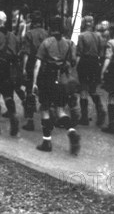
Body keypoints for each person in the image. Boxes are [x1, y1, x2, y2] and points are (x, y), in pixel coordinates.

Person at [32, 16, 80, 155]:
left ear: (50, 28)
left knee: (45, 108)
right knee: (60, 110)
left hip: (48, 78)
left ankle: (47, 141)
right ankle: (71, 131)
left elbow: (38, 64)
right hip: (63, 79)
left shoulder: (46, 43)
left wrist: (34, 82)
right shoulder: (70, 44)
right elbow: (73, 62)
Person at [75, 15, 106, 126]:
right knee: (93, 90)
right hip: (95, 64)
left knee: (83, 89)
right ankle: (101, 110)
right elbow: (102, 54)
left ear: (84, 24)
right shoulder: (99, 37)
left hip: (84, 62)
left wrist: (75, 67)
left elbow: (79, 53)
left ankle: (84, 117)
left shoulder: (82, 36)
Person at [20, 10, 48, 131]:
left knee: (30, 90)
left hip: (32, 62)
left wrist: (24, 68)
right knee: (43, 90)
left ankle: (30, 120)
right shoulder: (47, 33)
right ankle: (47, 117)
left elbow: (26, 52)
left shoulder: (29, 34)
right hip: (45, 64)